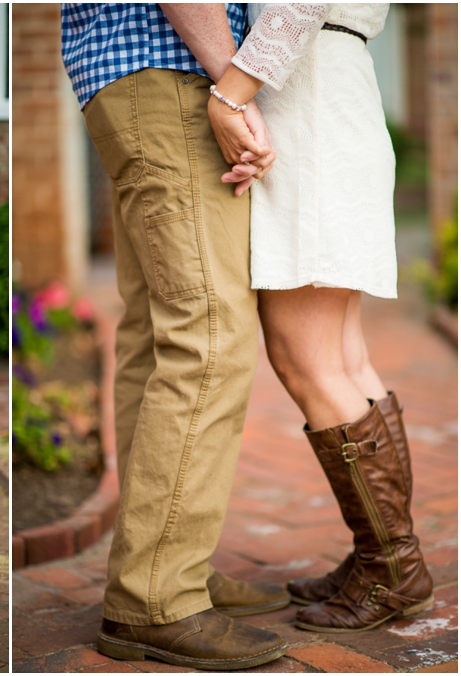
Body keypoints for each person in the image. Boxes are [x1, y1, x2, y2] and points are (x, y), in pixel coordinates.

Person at [61, 4, 289, 670]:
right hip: (172, 74)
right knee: (209, 336)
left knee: (160, 336)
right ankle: (156, 596)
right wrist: (231, 83)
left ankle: (162, 563)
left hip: (129, 77)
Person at [207, 3, 433, 632]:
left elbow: (298, 5)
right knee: (343, 359)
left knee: (308, 359)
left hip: (306, 103)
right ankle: (383, 557)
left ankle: (393, 570)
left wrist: (228, 98)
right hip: (334, 91)